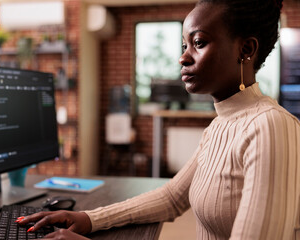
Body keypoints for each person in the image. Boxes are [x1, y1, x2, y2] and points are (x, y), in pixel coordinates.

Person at [18, 0, 300, 239]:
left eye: (198, 43)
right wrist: (88, 218)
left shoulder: (271, 126)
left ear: (246, 50)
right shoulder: (220, 126)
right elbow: (171, 198)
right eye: (184, 45)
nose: (183, 58)